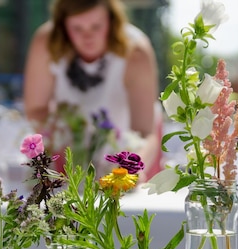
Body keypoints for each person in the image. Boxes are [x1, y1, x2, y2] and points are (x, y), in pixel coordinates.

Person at [22, 0, 162, 179]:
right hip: (69, 156)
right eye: (77, 28)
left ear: (111, 21)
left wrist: (129, 173)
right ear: (63, 25)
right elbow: (36, 111)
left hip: (124, 157)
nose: (87, 36)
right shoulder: (46, 43)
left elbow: (144, 132)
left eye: (96, 26)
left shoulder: (135, 51)